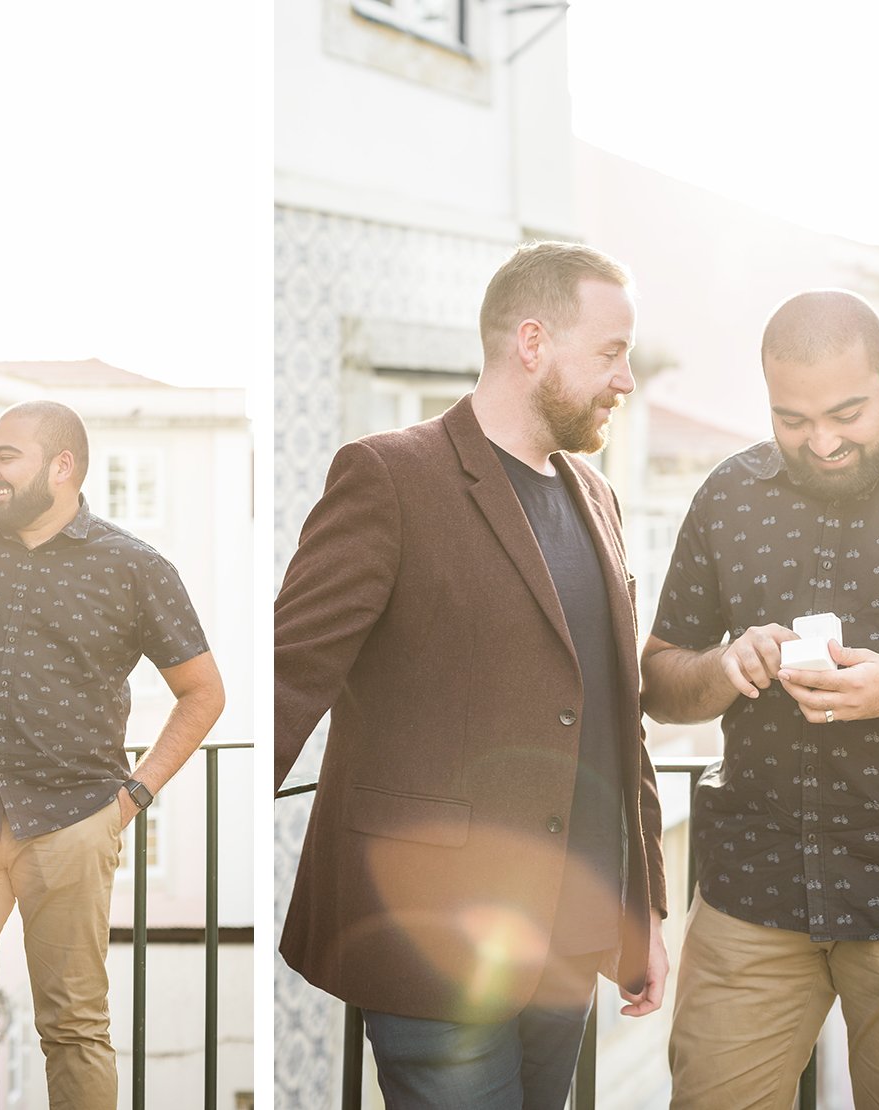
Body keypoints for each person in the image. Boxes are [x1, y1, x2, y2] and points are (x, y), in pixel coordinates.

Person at [275, 240, 669, 1109]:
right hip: (433, 943)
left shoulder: (596, 498)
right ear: (533, 343)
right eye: (610, 352)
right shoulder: (387, 476)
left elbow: (614, 712)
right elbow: (285, 677)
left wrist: (640, 913)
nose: (626, 380)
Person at [643, 289, 879, 1110]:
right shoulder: (726, 497)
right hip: (751, 895)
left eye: (846, 412)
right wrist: (725, 666)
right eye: (792, 419)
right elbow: (660, 682)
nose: (822, 441)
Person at [0, 399, 225, 1110]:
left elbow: (203, 693)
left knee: (73, 1029)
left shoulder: (136, 567)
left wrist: (133, 797)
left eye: (5, 456)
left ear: (62, 466)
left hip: (75, 823)